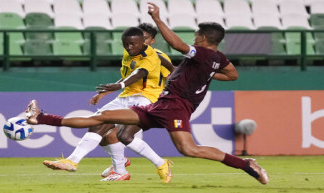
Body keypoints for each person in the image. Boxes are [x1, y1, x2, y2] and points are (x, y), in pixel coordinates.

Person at [25, 2, 269, 185]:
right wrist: (207, 75)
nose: (194, 38)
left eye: (196, 35)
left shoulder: (203, 53)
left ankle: (246, 164)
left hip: (175, 106)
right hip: (160, 105)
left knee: (189, 149)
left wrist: (158, 18)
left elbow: (176, 45)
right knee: (102, 119)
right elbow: (233, 75)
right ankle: (40, 117)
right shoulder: (219, 59)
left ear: (203, 38)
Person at [41, 25, 173, 182]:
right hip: (126, 96)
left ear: (151, 40)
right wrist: (106, 92)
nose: (133, 45)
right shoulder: (130, 51)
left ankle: (160, 164)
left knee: (123, 136)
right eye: (129, 42)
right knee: (99, 126)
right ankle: (77, 162)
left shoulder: (156, 56)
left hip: (146, 100)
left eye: (143, 39)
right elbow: (129, 76)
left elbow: (147, 74)